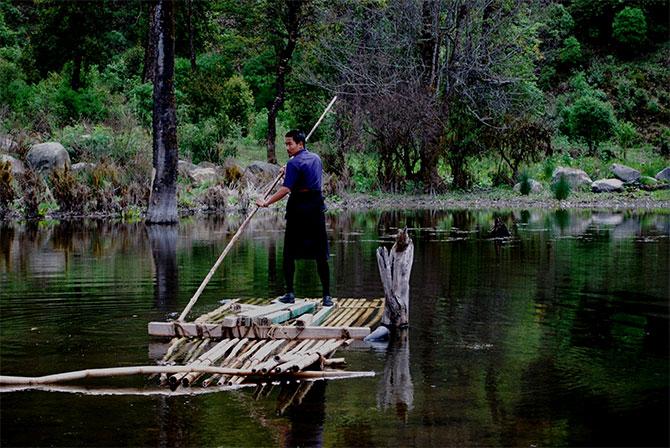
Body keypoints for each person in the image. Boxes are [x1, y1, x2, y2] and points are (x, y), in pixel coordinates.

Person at [256, 130, 333, 307]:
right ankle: (326, 296)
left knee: (290, 253)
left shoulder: (294, 163)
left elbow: (286, 189)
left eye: (290, 143)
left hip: (300, 207)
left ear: (300, 144)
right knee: (319, 253)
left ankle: (290, 293)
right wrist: (287, 171)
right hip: (315, 206)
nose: (287, 147)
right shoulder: (316, 158)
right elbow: (305, 177)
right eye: (286, 144)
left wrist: (266, 202)